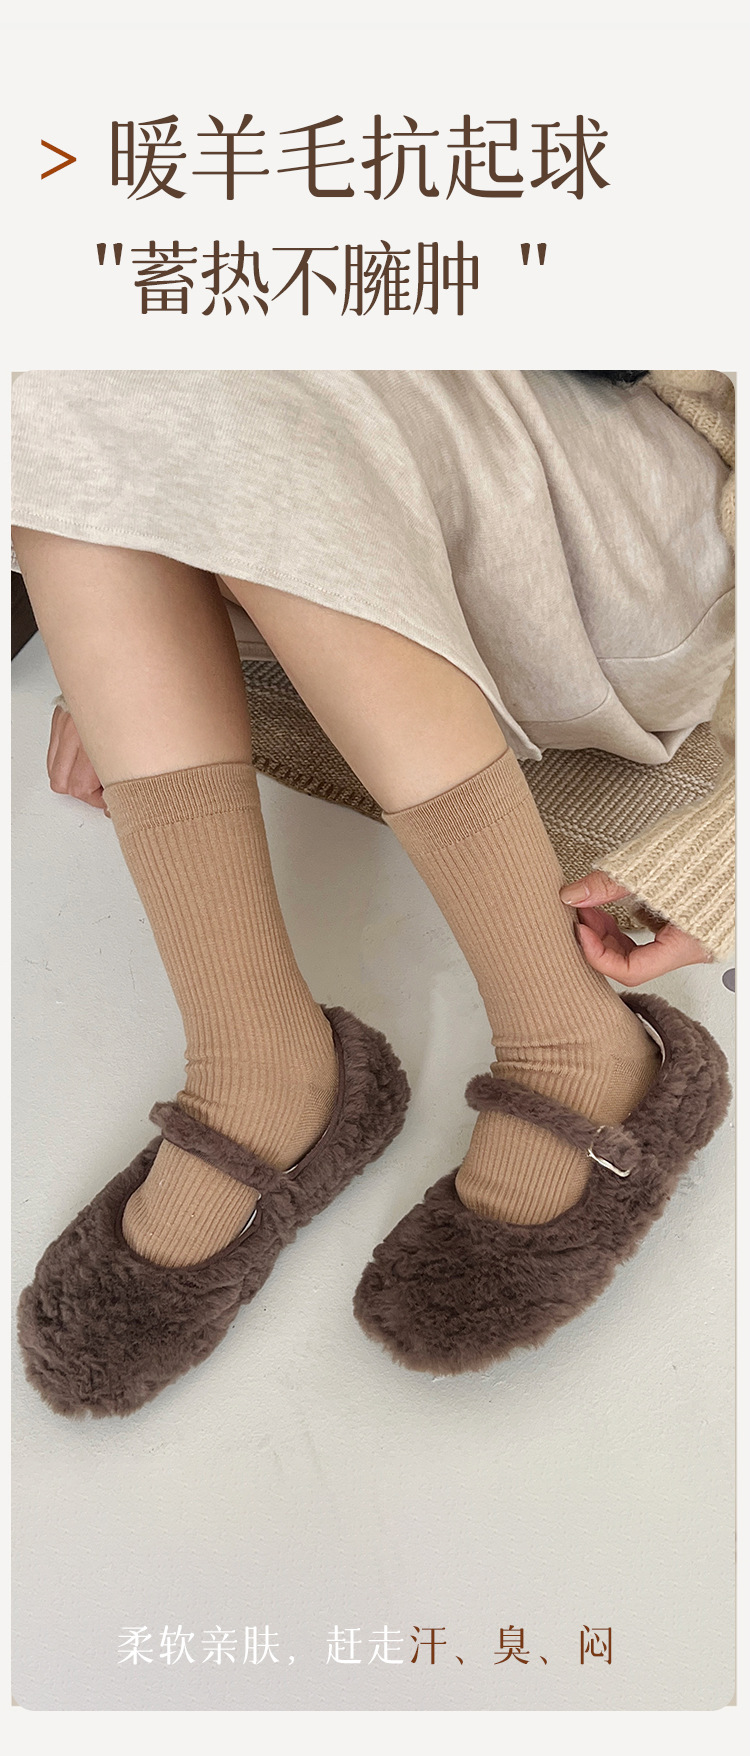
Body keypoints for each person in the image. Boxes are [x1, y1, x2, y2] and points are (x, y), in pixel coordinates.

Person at [11, 369, 735, 1414]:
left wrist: (729, 846)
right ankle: (255, 1057)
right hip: (365, 504)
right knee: (63, 368)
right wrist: (118, 662)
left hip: (633, 528)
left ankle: (571, 1036)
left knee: (261, 379)